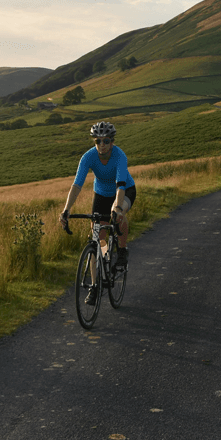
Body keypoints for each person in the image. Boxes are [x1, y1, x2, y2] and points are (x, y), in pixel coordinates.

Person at [59, 121, 136, 305]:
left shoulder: (119, 156)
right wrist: (66, 210)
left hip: (125, 191)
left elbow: (120, 186)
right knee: (97, 236)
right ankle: (96, 284)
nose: (102, 144)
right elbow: (77, 185)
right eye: (98, 141)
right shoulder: (88, 157)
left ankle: (123, 250)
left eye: (106, 140)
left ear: (112, 141)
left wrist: (117, 208)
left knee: (118, 213)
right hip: (101, 194)